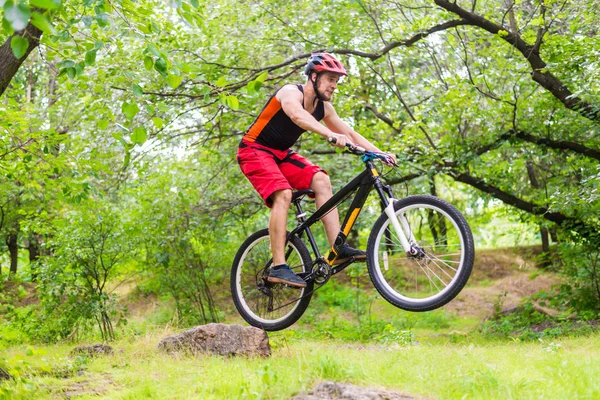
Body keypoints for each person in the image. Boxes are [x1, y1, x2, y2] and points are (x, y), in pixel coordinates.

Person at [237, 52, 396, 288]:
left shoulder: (324, 108)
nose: (334, 85)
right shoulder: (291, 92)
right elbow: (296, 115)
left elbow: (350, 134)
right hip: (254, 149)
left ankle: (337, 247)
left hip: (280, 154)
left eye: (336, 81)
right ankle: (278, 267)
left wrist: (380, 153)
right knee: (283, 193)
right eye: (330, 79)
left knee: (321, 180)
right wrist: (328, 134)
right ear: (313, 76)